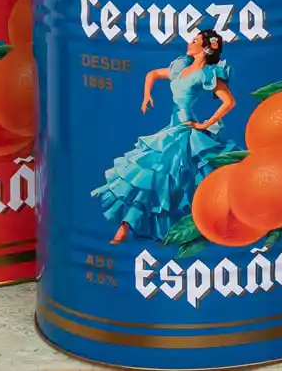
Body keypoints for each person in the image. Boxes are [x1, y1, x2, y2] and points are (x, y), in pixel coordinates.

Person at [93, 30, 241, 244]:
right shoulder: (180, 68)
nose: (189, 44)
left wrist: (205, 124)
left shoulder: (206, 74)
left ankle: (211, 225)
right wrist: (147, 96)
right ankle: (126, 226)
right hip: (173, 128)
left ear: (207, 48)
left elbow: (229, 101)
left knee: (188, 179)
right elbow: (152, 74)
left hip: (187, 130)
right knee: (150, 174)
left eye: (195, 41)